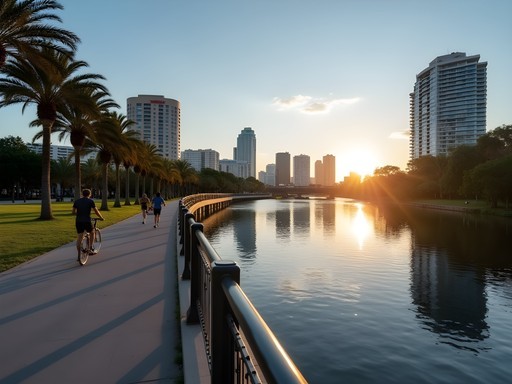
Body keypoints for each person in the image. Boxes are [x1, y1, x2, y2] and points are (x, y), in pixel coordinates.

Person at [72, 189, 104, 260]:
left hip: (78, 221)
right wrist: (101, 217)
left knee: (80, 237)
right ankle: (90, 248)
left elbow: (73, 212)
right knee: (92, 232)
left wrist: (80, 214)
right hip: (87, 221)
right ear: (89, 194)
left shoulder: (77, 201)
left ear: (82, 194)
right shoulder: (90, 201)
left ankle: (79, 255)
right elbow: (96, 211)